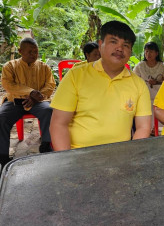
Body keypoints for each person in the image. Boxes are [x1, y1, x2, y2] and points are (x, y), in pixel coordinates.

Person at [50, 21, 152, 150]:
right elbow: (59, 124)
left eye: (125, 45)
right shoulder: (76, 75)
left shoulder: (139, 84)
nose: (120, 48)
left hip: (120, 154)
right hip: (78, 153)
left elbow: (143, 127)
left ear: (130, 51)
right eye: (113, 42)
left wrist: (129, 157)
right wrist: (67, 162)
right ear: (100, 45)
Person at [0, 38, 56, 169]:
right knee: (1, 118)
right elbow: (8, 84)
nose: (33, 55)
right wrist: (31, 92)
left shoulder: (44, 67)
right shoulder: (10, 66)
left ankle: (46, 145)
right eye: (30, 52)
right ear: (20, 51)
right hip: (15, 101)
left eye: (35, 52)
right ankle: (3, 156)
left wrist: (37, 97)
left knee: (49, 111)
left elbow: (50, 85)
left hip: (38, 102)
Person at [133, 42, 164, 133]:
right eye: (146, 51)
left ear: (156, 53)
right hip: (144, 96)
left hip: (158, 96)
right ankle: (145, 130)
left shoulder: (162, 66)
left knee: (158, 110)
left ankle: (157, 130)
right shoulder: (140, 66)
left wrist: (156, 82)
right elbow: (134, 81)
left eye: (151, 51)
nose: (148, 54)